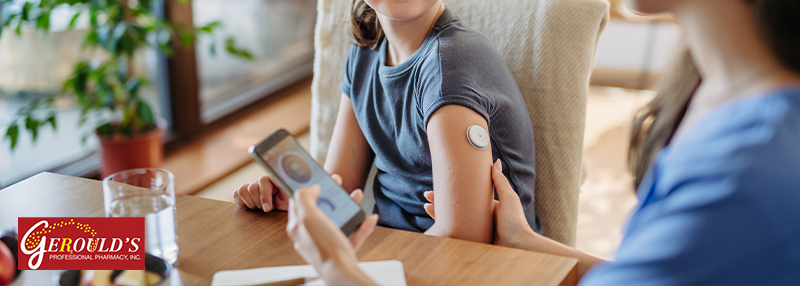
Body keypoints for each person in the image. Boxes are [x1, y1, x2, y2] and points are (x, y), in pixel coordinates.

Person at [284, 0, 800, 284]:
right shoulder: (713, 99)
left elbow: (458, 241)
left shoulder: (743, 169)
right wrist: (528, 242)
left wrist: (340, 271)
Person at [234, 0, 541, 243]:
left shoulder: (451, 65)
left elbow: (462, 240)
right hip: (395, 248)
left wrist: (359, 268)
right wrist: (301, 200)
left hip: (476, 266)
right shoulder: (365, 53)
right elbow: (341, 191)